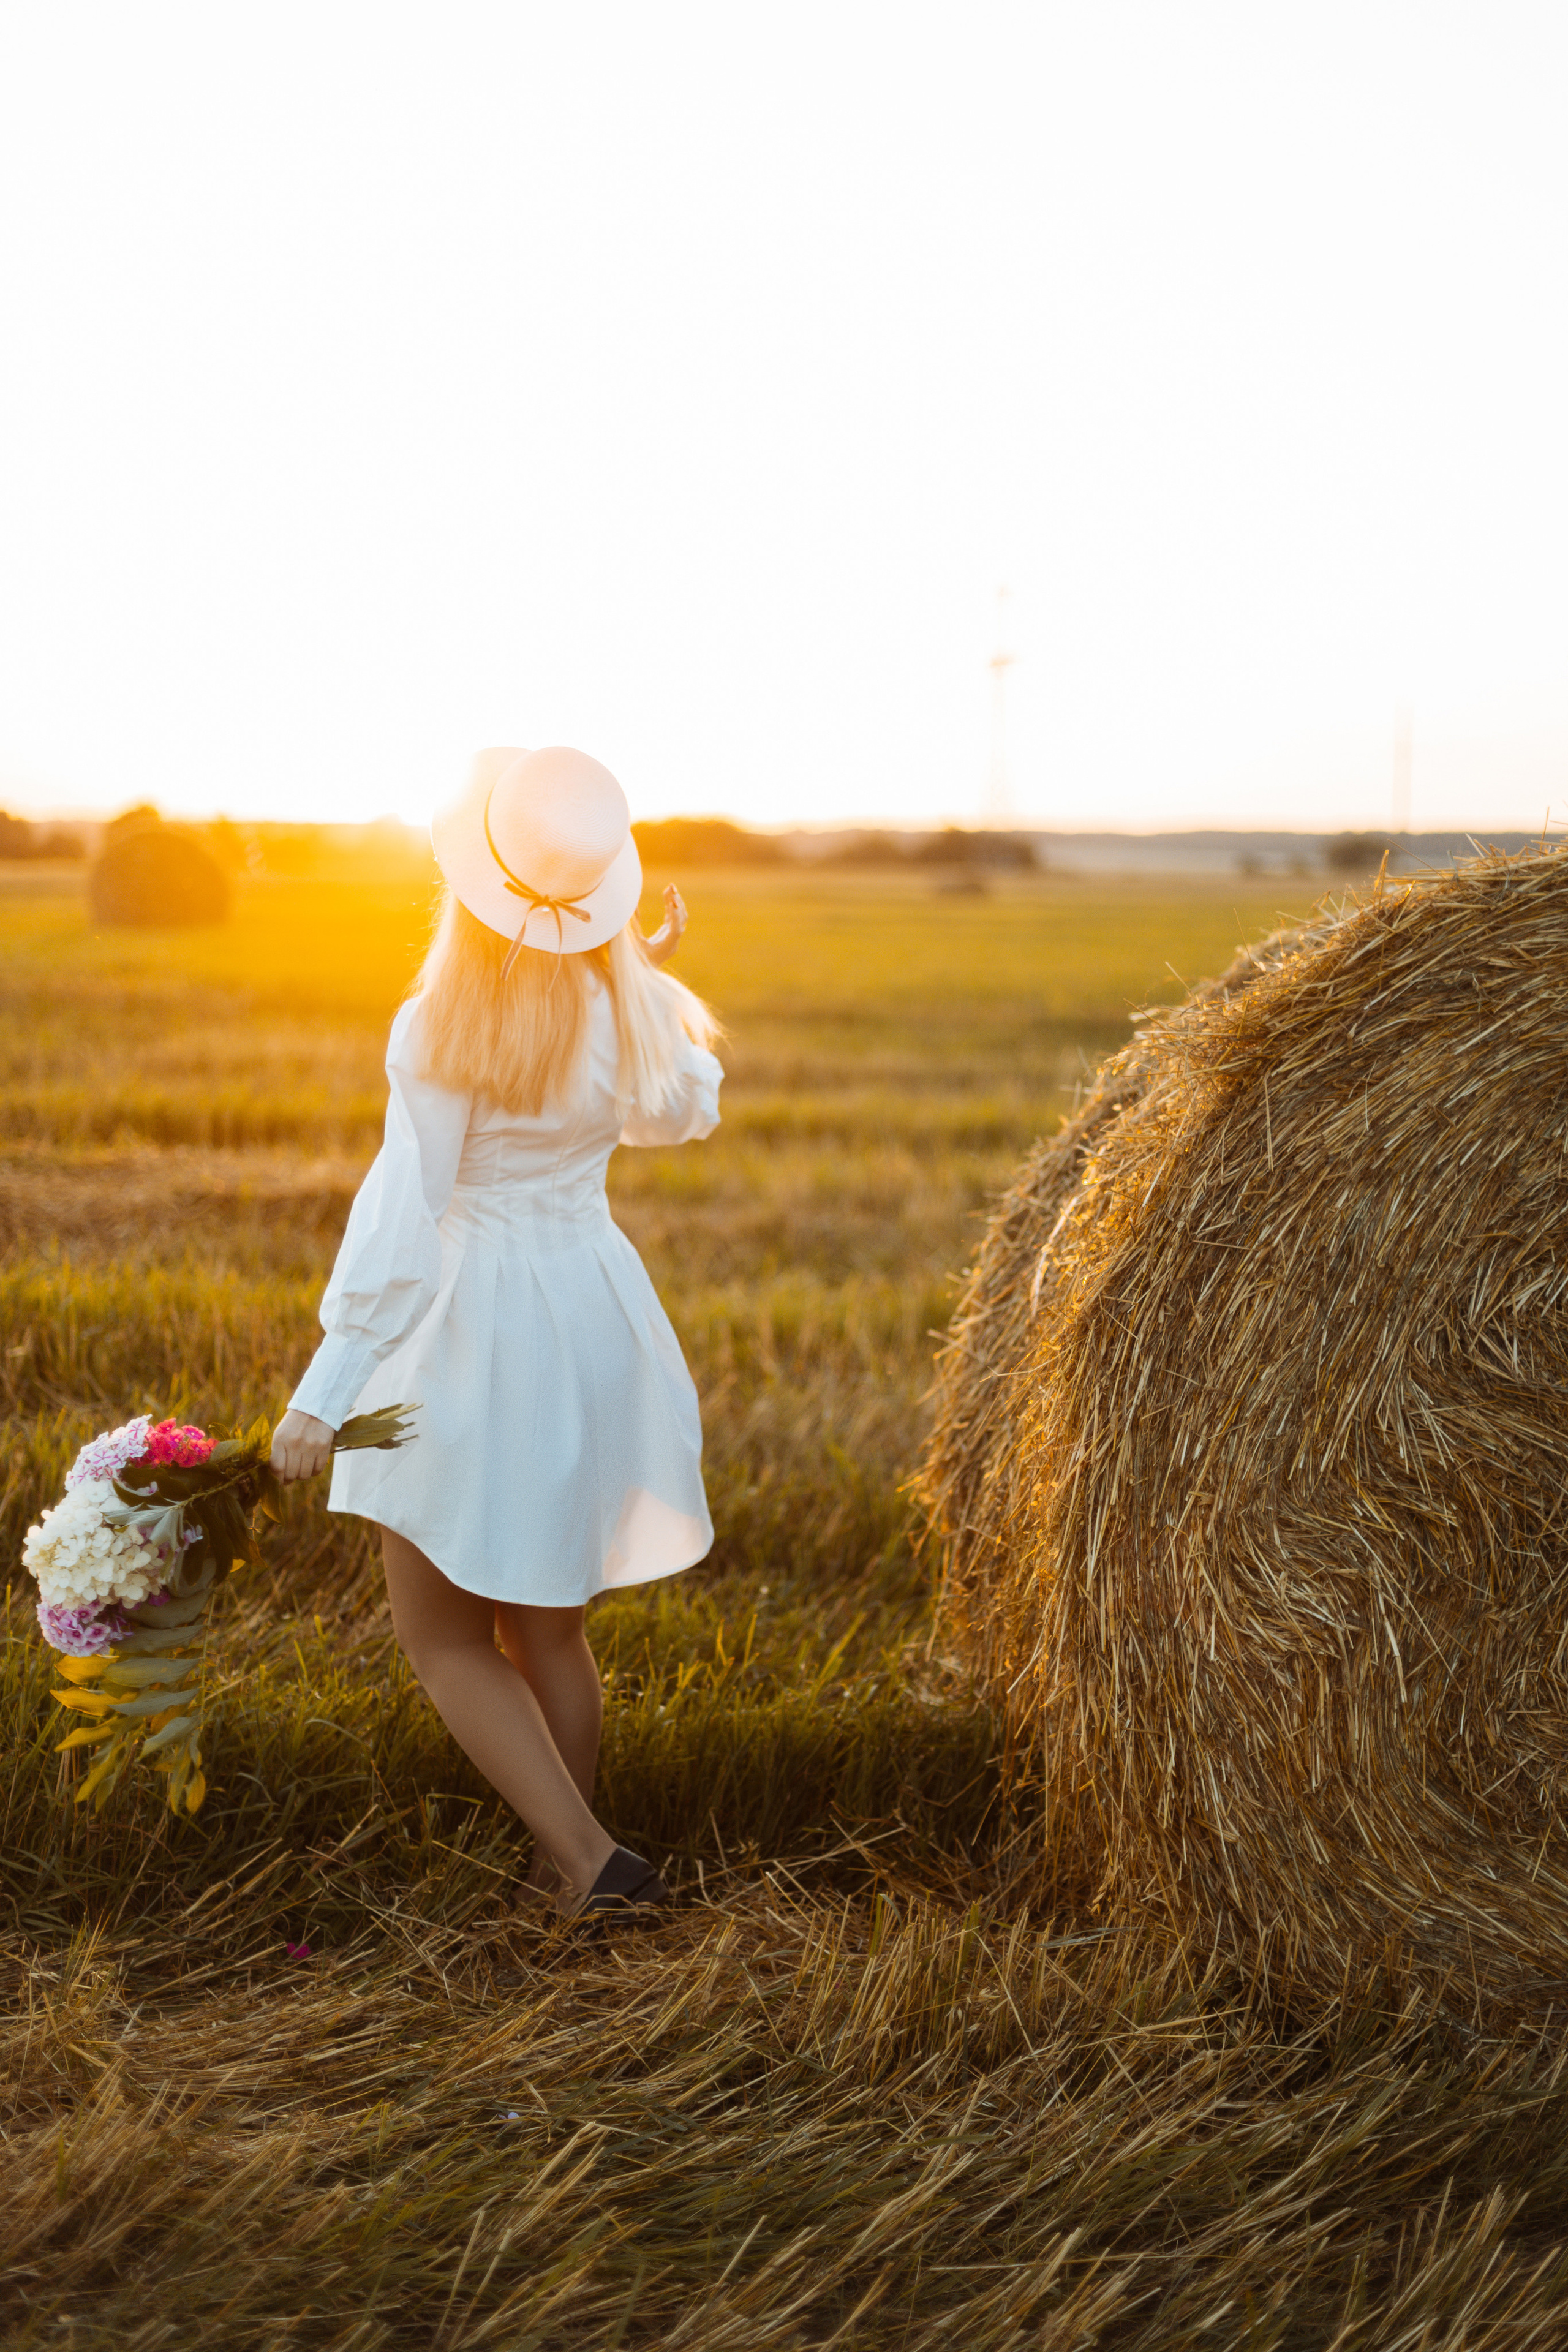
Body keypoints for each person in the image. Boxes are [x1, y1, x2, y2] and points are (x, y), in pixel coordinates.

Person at [270, 745, 723, 1920]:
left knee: (442, 1637)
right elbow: (679, 1109)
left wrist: (328, 1387)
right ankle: (568, 1883)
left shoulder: (438, 1024)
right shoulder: (624, 1007)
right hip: (587, 1313)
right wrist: (641, 982)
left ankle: (586, 1866)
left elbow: (406, 1211)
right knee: (549, 1631)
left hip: (472, 1328)